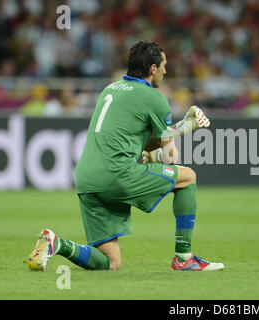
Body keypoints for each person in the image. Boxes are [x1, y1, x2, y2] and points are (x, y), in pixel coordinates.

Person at [26, 40, 224, 272]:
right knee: (188, 176)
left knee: (110, 262)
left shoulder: (110, 89)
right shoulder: (154, 98)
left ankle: (56, 243)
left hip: (86, 178)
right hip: (116, 174)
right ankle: (183, 257)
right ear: (152, 68)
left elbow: (140, 144)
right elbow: (170, 158)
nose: (165, 70)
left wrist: (180, 127)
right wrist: (184, 128)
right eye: (163, 65)